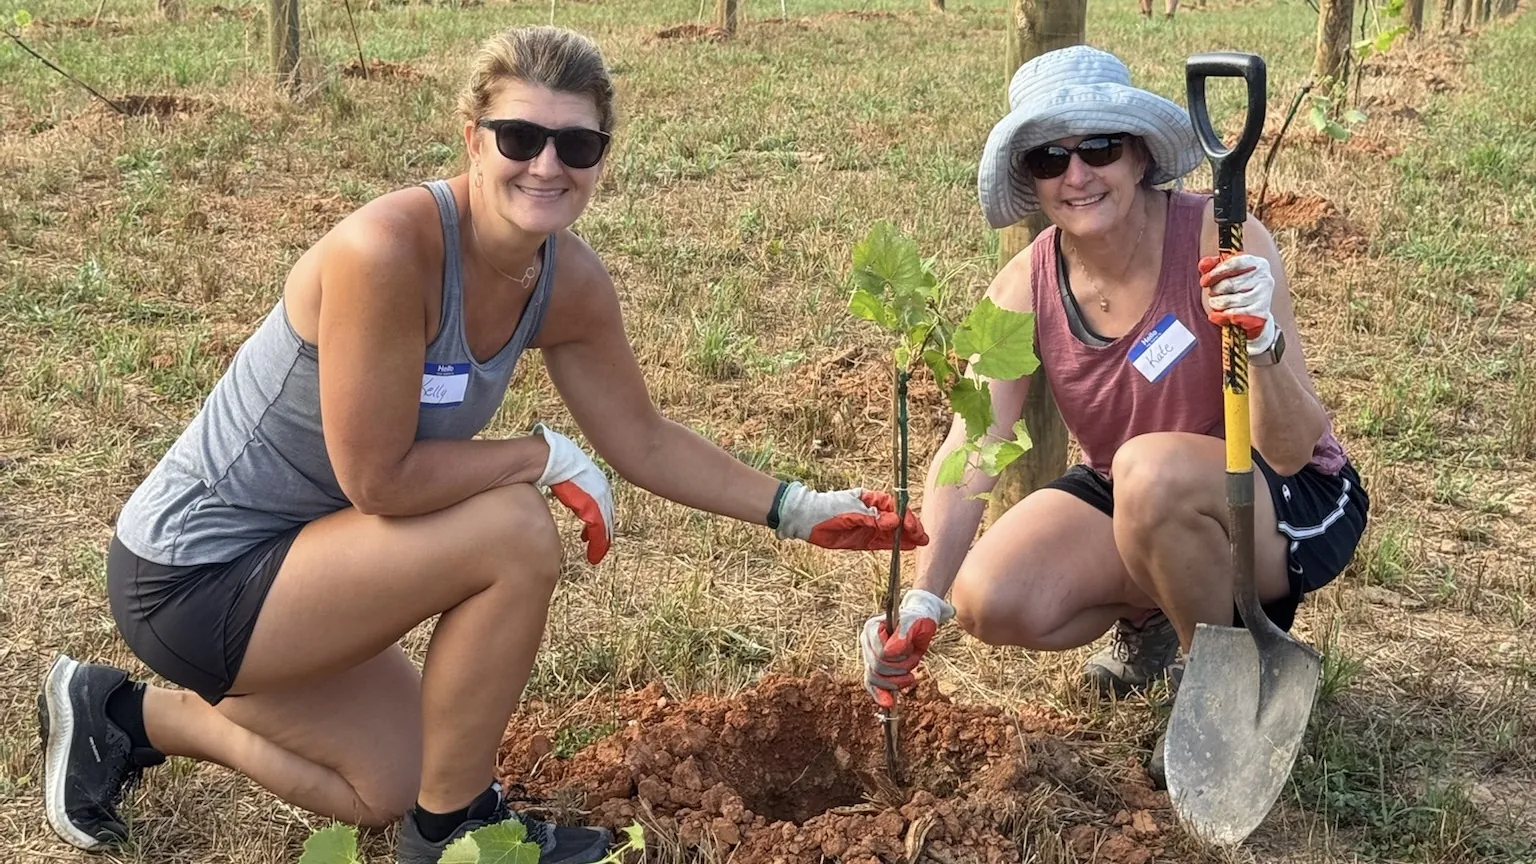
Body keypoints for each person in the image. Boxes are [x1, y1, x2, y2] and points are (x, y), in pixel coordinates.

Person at [38, 24, 928, 864]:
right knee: (510, 527)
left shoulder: (565, 280)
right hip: (192, 575)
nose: (546, 165)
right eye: (518, 138)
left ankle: (120, 713)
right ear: (471, 138)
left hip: (305, 568)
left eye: (576, 145)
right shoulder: (386, 253)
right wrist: (537, 456)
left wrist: (798, 509)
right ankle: (457, 834)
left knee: (387, 784)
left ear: (601, 160)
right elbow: (380, 479)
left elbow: (644, 438)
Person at [857, 44, 1368, 785]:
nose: (1077, 174)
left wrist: (1265, 343)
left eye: (1098, 147)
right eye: (1048, 158)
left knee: (1148, 471)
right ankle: (1160, 614)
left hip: (1277, 495)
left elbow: (1290, 448)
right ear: (1030, 181)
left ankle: (1222, 678)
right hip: (1138, 491)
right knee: (989, 597)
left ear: (1137, 157)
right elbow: (974, 439)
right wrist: (922, 597)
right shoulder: (1023, 284)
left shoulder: (1221, 242)